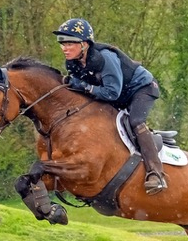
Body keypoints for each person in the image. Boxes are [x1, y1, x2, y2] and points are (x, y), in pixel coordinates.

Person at [52, 18, 168, 194]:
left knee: (136, 121)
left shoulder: (105, 58)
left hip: (141, 89)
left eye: (69, 43)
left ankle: (156, 173)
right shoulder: (72, 63)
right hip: (119, 94)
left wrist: (84, 86)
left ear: (84, 44)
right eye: (62, 43)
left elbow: (111, 93)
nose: (64, 48)